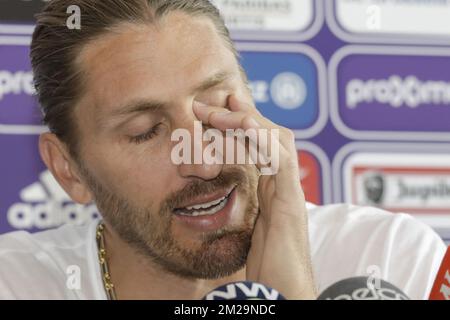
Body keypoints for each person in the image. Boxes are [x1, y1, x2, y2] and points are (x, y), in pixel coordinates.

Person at [0, 0, 445, 300]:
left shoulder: (386, 261)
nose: (205, 161)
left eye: (217, 109)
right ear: (69, 170)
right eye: (146, 132)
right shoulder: (18, 285)